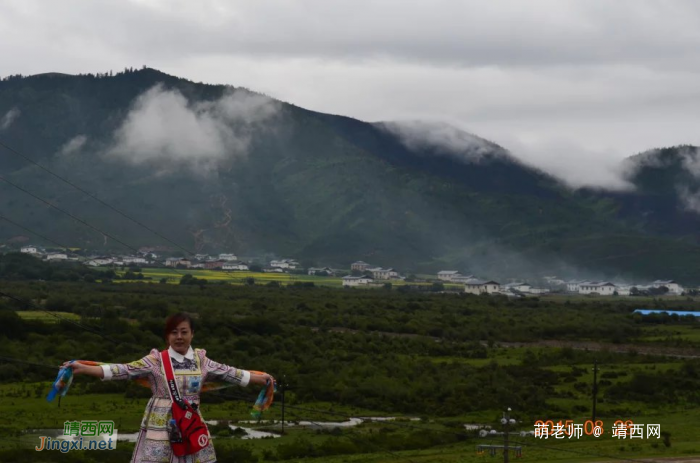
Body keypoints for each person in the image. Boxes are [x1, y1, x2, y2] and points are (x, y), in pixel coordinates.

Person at [63, 312, 274, 463]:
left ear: (192, 334)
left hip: (190, 419)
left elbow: (232, 373)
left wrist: (262, 379)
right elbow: (122, 370)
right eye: (174, 332)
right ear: (167, 336)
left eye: (184, 332)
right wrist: (83, 368)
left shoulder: (202, 360)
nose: (179, 337)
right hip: (160, 421)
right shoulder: (155, 360)